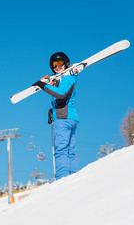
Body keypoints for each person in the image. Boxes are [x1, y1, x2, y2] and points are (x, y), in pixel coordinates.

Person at [32, 52, 80, 180]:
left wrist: (43, 85)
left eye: (60, 63)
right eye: (54, 65)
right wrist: (52, 112)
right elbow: (62, 98)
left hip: (64, 119)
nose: (57, 67)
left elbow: (61, 94)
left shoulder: (68, 78)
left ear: (66, 64)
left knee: (61, 150)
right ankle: (73, 176)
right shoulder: (67, 79)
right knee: (70, 151)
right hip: (70, 118)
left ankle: (62, 178)